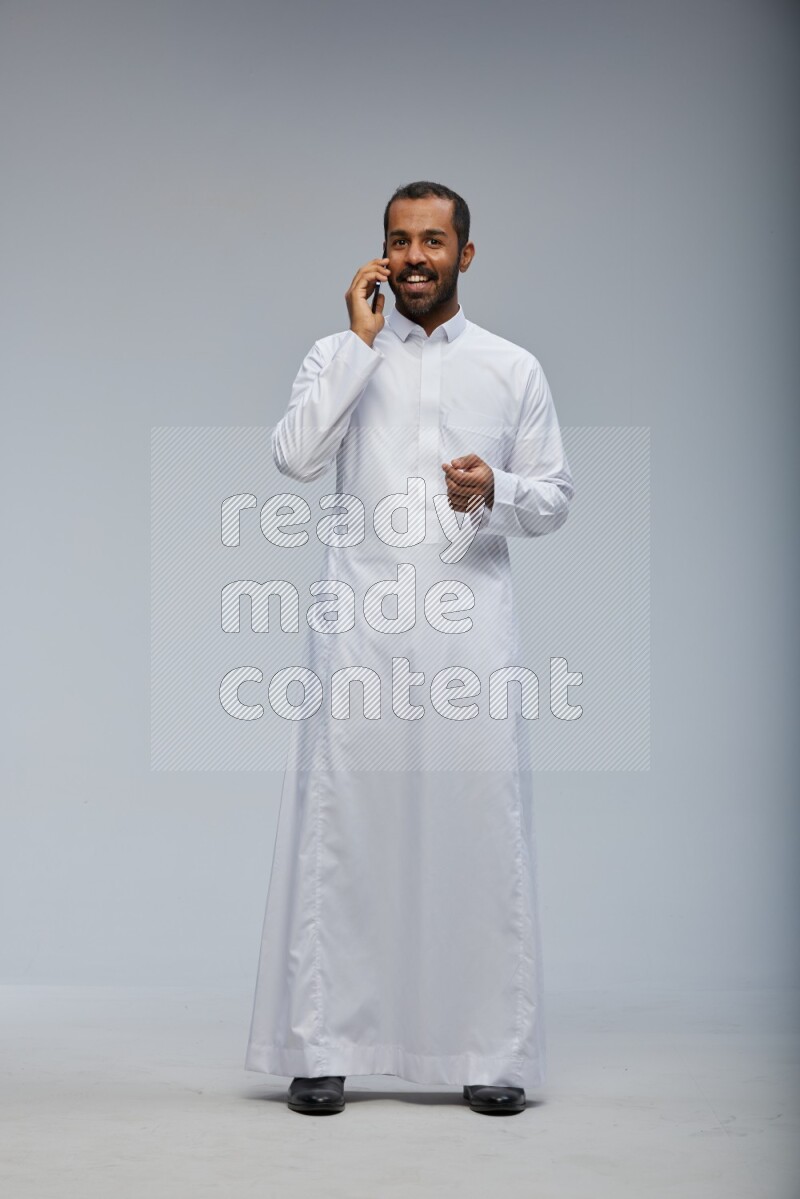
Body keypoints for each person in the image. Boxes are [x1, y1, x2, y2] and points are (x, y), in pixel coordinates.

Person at [245, 181, 574, 1116]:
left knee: (480, 825)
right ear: (381, 255)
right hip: (362, 630)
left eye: (435, 240)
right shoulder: (337, 355)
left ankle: (490, 1052)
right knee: (345, 827)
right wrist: (357, 344)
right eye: (400, 241)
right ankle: (324, 1046)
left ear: (466, 254)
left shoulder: (513, 369)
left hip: (471, 629)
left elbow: (553, 499)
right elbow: (296, 457)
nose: (416, 256)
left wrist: (496, 488)